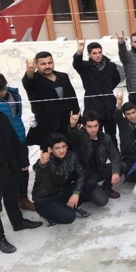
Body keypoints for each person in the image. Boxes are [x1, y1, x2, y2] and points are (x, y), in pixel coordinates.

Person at [0, 113, 42, 253]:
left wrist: (23, 160)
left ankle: (17, 222)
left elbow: (14, 139)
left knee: (12, 195)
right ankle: (0, 238)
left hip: (9, 166)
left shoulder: (2, 117)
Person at [22, 52, 79, 151]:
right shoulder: (35, 80)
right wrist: (30, 72)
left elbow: (73, 98)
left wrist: (78, 119)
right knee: (50, 156)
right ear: (36, 65)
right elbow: (28, 82)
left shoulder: (63, 76)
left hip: (67, 124)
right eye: (43, 64)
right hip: (47, 128)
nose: (47, 66)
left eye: (50, 63)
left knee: (71, 153)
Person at [32, 133, 90, 227]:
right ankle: (46, 213)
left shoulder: (72, 155)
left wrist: (76, 193)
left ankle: (70, 206)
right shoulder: (47, 160)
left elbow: (81, 173)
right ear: (51, 149)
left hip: (61, 191)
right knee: (70, 217)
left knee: (90, 183)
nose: (62, 150)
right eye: (57, 148)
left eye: (63, 146)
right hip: (46, 198)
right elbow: (38, 169)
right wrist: (42, 164)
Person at [67, 111, 125, 203]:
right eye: (89, 126)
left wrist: (115, 172)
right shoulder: (80, 136)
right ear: (84, 126)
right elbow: (72, 136)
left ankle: (106, 187)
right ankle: (86, 192)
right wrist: (73, 125)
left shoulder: (105, 138)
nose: (93, 129)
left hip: (100, 171)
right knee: (102, 201)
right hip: (86, 176)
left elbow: (114, 155)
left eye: (95, 126)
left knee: (121, 165)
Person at [73, 40, 121, 147]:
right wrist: (79, 51)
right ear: (89, 54)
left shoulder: (111, 65)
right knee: (94, 135)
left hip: (109, 106)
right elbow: (76, 64)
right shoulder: (85, 66)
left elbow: (116, 79)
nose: (98, 55)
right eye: (94, 53)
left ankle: (114, 154)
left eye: (99, 52)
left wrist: (107, 89)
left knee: (111, 134)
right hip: (93, 106)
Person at [0, 74, 33, 211]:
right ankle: (12, 204)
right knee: (9, 175)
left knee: (24, 169)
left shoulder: (14, 95)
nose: (3, 92)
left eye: (4, 88)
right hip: (5, 144)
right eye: (0, 90)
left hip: (19, 137)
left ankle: (23, 199)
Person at [115, 93, 136, 182]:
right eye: (128, 114)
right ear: (124, 115)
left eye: (133, 112)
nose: (131, 116)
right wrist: (119, 103)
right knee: (131, 178)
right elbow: (117, 115)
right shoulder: (123, 123)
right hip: (128, 156)